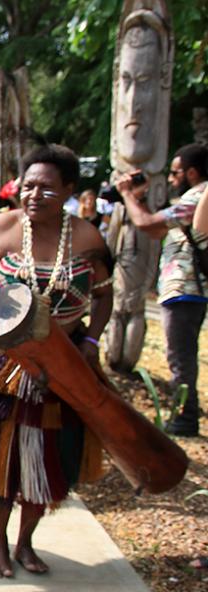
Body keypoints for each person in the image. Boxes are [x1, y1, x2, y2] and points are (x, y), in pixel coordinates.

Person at [0, 145, 113, 578]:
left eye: (47, 188)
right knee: (3, 459)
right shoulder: (0, 228)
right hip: (3, 368)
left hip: (63, 368)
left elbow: (104, 294)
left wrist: (92, 339)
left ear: (70, 191)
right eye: (29, 185)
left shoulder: (88, 238)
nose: (34, 194)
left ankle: (26, 542)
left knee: (48, 459)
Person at [115, 143, 207, 437]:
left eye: (175, 172)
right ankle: (184, 413)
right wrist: (139, 199)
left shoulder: (198, 196)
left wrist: (127, 194)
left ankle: (185, 417)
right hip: (187, 289)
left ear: (191, 173)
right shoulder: (195, 199)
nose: (170, 178)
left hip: (185, 288)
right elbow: (157, 228)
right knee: (181, 354)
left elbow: (145, 223)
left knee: (180, 356)